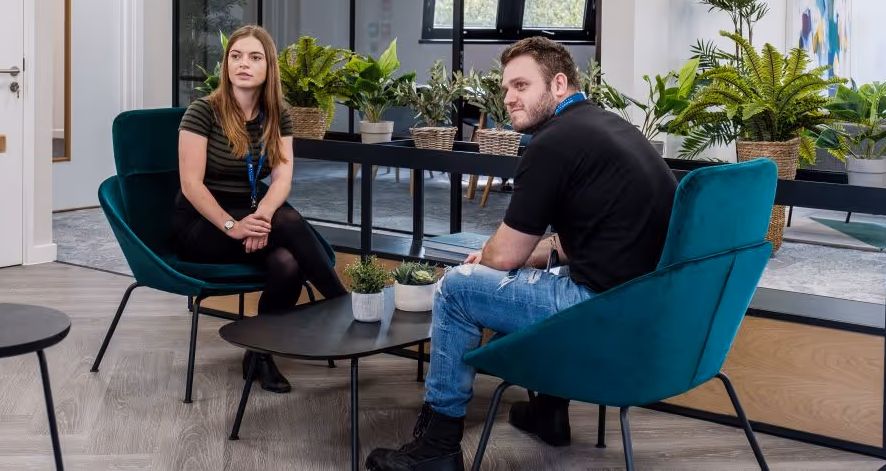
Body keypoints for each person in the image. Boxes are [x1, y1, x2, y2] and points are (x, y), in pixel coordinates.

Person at [366, 37, 678, 471]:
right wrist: (501, 260)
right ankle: (550, 412)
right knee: (537, 273)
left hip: (602, 312)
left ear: (559, 84)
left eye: (521, 85)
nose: (509, 98)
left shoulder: (551, 144)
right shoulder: (612, 129)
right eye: (506, 88)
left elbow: (507, 254)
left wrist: (485, 262)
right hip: (647, 309)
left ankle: (437, 447)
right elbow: (585, 240)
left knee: (456, 288)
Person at [173, 24, 347, 394]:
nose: (243, 64)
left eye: (254, 57)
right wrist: (233, 226)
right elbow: (191, 185)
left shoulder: (277, 114)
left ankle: (260, 354)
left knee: (287, 261)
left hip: (251, 213)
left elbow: (283, 177)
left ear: (268, 67)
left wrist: (262, 218)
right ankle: (344, 306)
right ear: (226, 64)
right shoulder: (202, 111)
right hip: (203, 224)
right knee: (289, 221)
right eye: (236, 56)